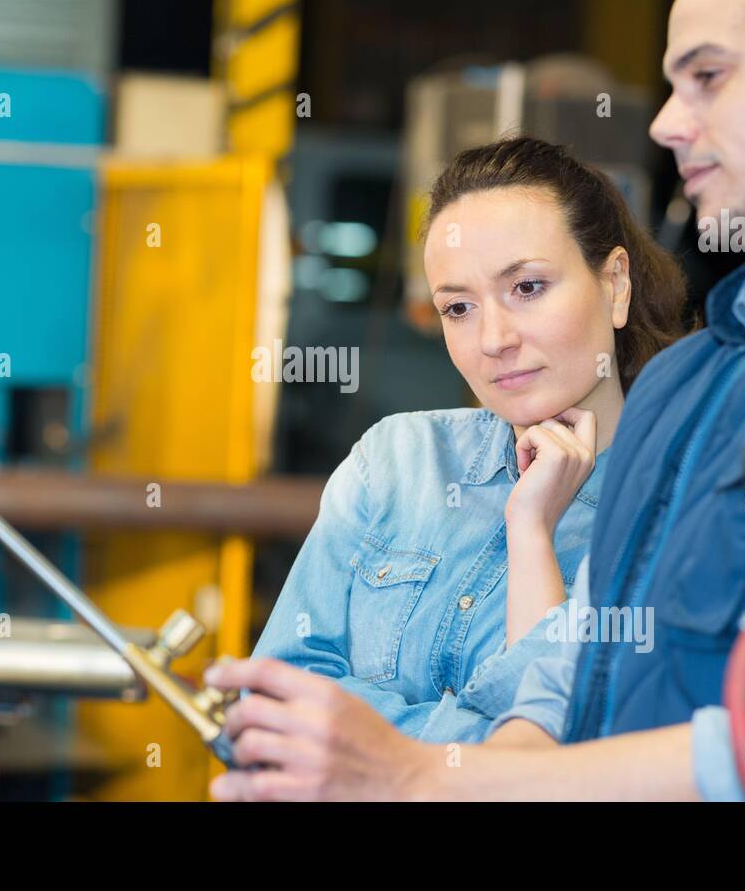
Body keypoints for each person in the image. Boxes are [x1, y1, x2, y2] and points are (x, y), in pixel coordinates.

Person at [206, 0, 745, 800]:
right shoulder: (691, 384)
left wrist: (415, 775)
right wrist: (460, 774)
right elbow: (566, 674)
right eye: (457, 305)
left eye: (707, 77)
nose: (666, 122)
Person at [251, 137, 688, 742]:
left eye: (527, 288)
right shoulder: (398, 463)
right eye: (459, 308)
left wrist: (532, 529)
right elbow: (274, 702)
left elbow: (562, 760)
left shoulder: (678, 513)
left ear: (614, 284)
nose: (493, 338)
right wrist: (477, 743)